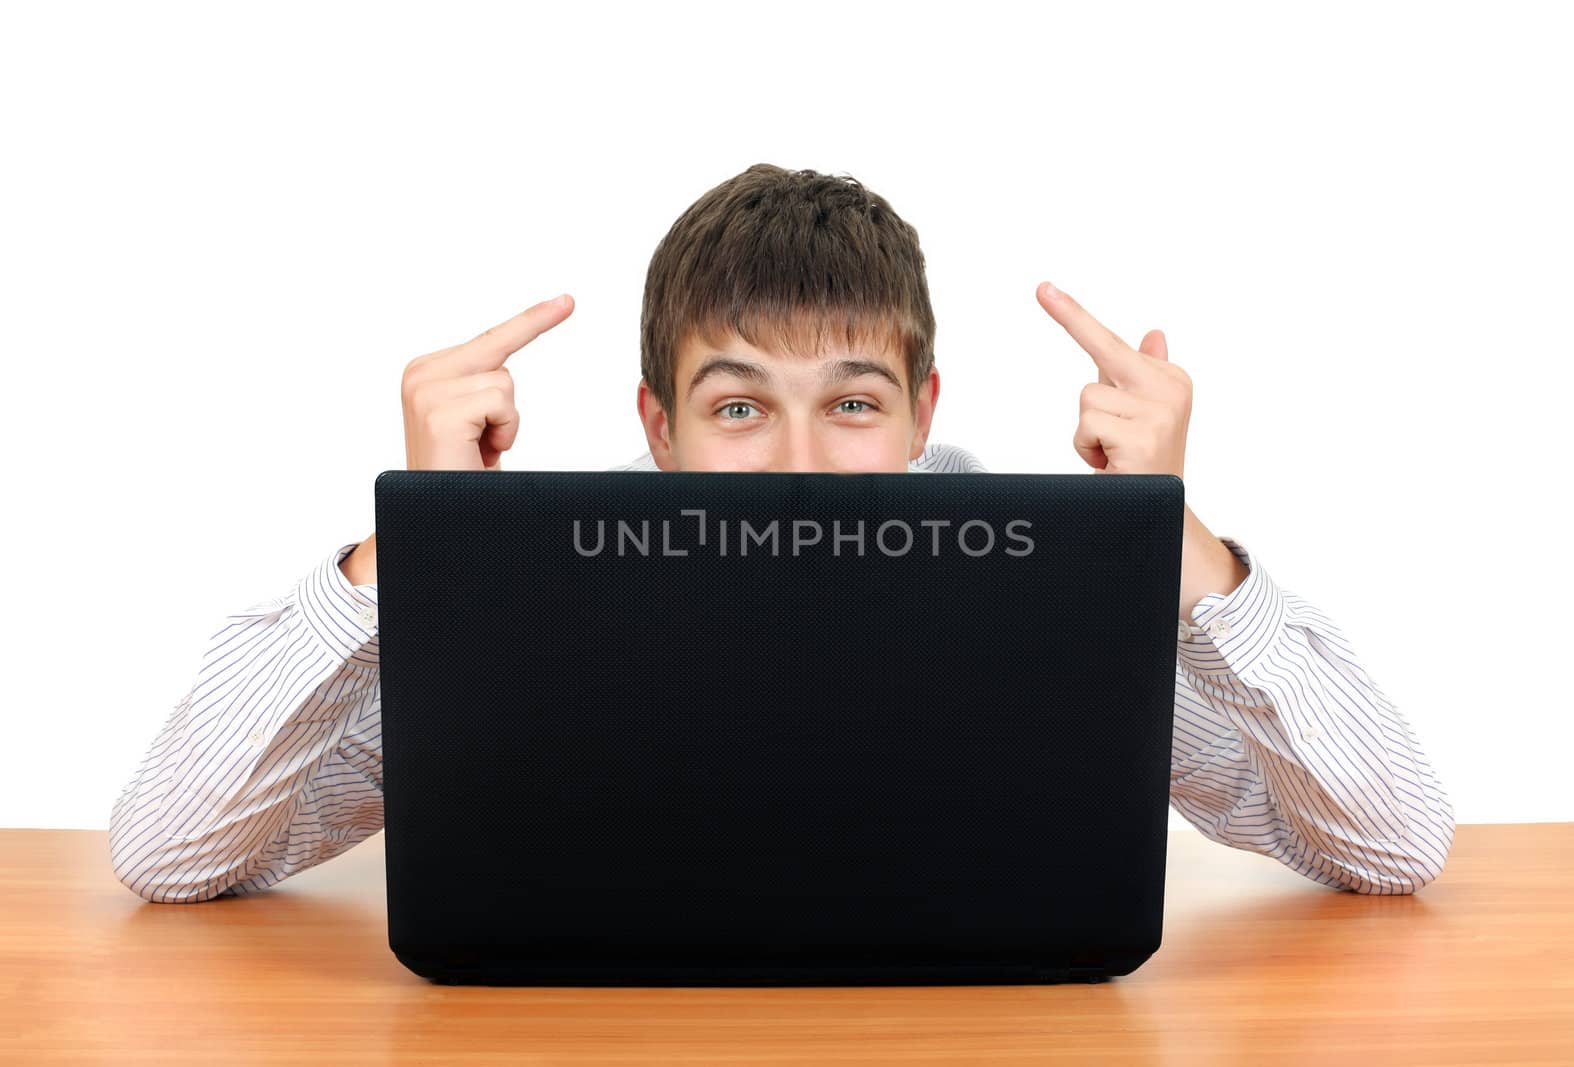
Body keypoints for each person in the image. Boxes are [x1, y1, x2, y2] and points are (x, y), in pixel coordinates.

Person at [109, 163, 1455, 903]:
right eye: (741, 403)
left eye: (853, 402)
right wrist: (415, 539)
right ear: (659, 424)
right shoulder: (548, 595)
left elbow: (1394, 844)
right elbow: (169, 851)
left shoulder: (1026, 593)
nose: (803, 461)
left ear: (926, 412)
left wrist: (1179, 544)